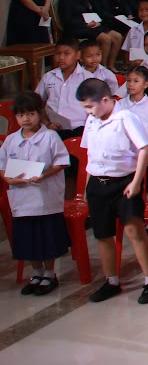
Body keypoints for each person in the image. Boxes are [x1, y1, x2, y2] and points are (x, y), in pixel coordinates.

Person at [77, 77, 148, 303]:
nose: (88, 112)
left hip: (124, 182)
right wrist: (87, 186)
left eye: (90, 106)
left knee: (135, 231)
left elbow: (144, 149)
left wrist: (136, 182)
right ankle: (111, 281)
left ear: (105, 100)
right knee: (102, 234)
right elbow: (90, 155)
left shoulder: (125, 117)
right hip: (98, 183)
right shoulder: (92, 120)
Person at [0, 90, 70, 296]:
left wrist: (44, 175)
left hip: (45, 196)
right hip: (22, 198)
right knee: (28, 239)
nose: (26, 119)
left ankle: (49, 273)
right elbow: (2, 166)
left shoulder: (50, 137)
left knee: (46, 237)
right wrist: (8, 179)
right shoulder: (11, 140)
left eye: (30, 114)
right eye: (21, 115)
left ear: (39, 113)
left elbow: (61, 162)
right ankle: (36, 273)